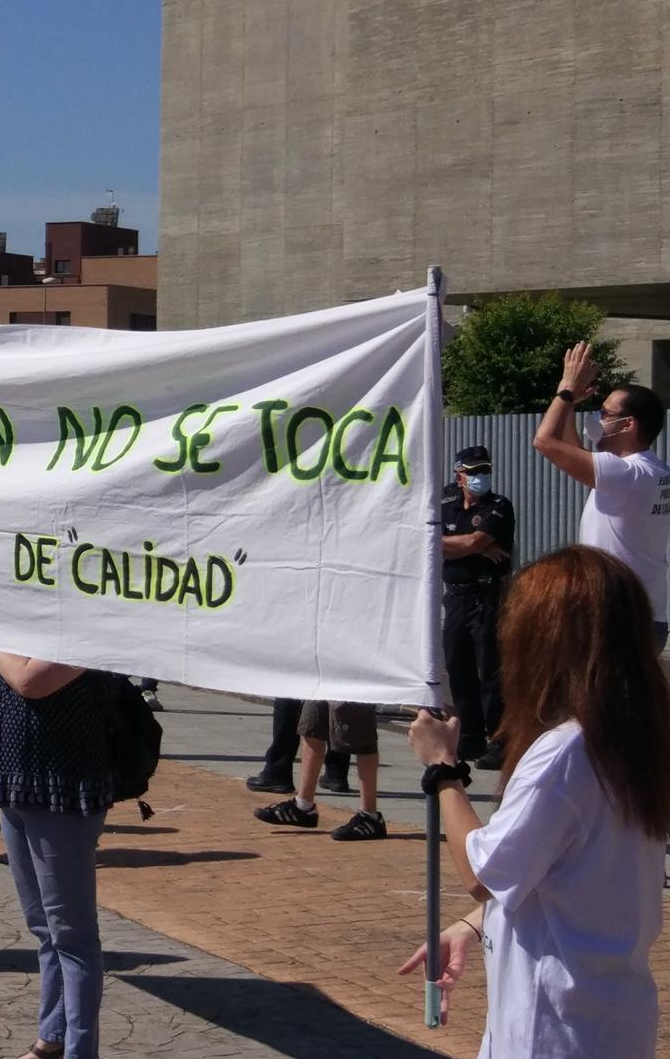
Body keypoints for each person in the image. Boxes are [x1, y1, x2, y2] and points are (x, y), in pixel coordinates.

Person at [400, 545, 670, 1058]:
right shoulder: (633, 737)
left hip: (553, 1030)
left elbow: (483, 873)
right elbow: (571, 870)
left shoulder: (566, 751)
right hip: (610, 1020)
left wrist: (442, 769)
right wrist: (476, 924)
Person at [0, 650, 120, 1059]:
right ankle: (51, 1039)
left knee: (72, 936)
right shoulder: (26, 613)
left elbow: (29, 681)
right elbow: (8, 686)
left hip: (64, 784)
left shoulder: (87, 619)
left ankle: (79, 1051)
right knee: (43, 926)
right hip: (14, 777)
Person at [533, 343, 670, 646]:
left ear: (628, 424)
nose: (598, 418)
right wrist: (567, 403)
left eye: (605, 413)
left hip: (618, 616)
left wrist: (567, 390)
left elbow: (544, 441)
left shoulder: (627, 475)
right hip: (641, 612)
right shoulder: (647, 472)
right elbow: (575, 453)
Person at [442, 445, 514, 769]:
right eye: (473, 472)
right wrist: (475, 546)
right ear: (459, 475)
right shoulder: (445, 501)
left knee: (492, 673)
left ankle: (500, 741)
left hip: (488, 596)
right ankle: (470, 738)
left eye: (485, 471)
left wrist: (472, 545)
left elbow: (474, 542)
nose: (480, 477)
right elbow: (421, 535)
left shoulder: (498, 506)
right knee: (459, 670)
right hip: (455, 596)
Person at [251, 699, 387, 841]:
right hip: (324, 678)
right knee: (311, 724)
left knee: (360, 730)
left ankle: (370, 815)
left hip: (353, 680)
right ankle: (303, 805)